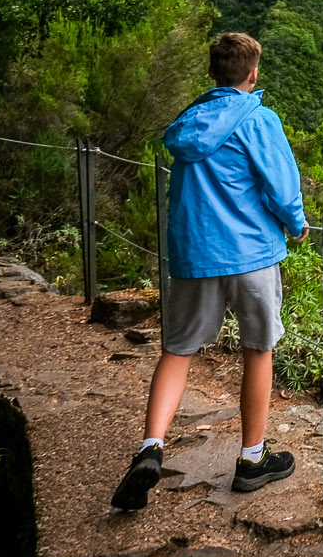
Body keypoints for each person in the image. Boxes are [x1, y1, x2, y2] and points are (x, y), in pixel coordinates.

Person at [111, 31, 309, 510]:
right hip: (253, 254)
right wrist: (297, 226)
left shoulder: (188, 123)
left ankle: (151, 448)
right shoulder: (260, 120)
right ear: (253, 73)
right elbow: (282, 188)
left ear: (211, 73)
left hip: (196, 255)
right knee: (258, 350)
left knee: (178, 351)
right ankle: (251, 460)